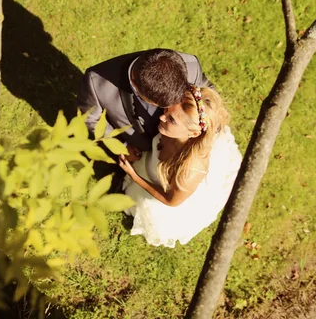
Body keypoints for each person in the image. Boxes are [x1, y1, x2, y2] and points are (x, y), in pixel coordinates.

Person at [118, 86, 242, 247]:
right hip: (156, 168)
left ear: (193, 133)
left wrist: (134, 175)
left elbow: (171, 201)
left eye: (171, 120)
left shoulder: (190, 171)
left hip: (167, 197)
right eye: (168, 111)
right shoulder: (173, 128)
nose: (162, 118)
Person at [76, 49, 210, 160]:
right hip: (141, 149)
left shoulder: (191, 66)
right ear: (135, 86)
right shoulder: (97, 83)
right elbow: (91, 118)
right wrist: (121, 145)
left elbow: (208, 98)